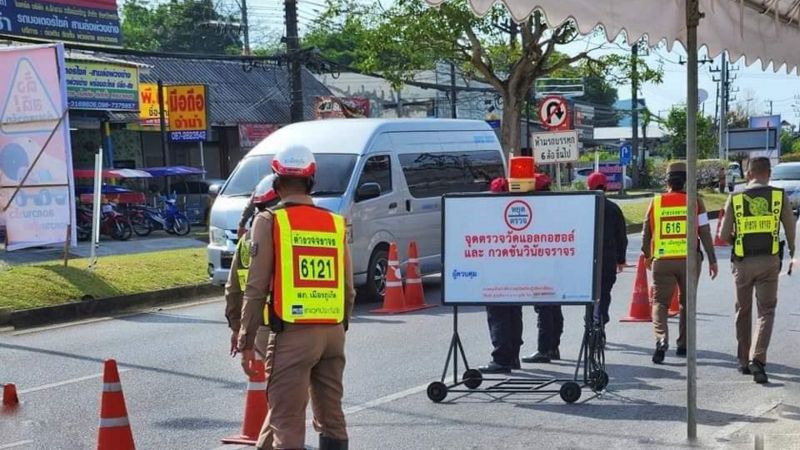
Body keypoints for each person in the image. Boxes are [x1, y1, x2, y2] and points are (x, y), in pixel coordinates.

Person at [238, 145, 355, 450]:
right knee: (333, 418)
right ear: (311, 181)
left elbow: (255, 288)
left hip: (292, 334)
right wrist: (340, 326)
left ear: (276, 182)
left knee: (286, 423)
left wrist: (246, 340)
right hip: (332, 332)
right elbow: (349, 288)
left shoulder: (269, 221)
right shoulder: (334, 222)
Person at [718, 157, 796, 383]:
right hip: (769, 263)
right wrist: (792, 253)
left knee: (743, 310)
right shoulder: (779, 197)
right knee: (766, 311)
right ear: (769, 173)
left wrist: (739, 240)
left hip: (742, 263)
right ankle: (758, 359)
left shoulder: (736, 198)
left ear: (748, 174)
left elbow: (723, 235)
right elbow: (791, 230)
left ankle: (743, 361)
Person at [642, 161, 718, 364]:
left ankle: (661, 339)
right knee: (687, 303)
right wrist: (712, 259)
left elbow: (646, 233)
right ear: (686, 181)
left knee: (660, 303)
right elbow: (705, 232)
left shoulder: (656, 202)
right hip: (690, 260)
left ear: (667, 181)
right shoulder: (696, 202)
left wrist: (647, 256)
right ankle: (683, 345)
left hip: (663, 260)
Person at [224, 174, 280, 358]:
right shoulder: (296, 232)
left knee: (264, 381)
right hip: (302, 327)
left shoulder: (246, 242)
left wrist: (236, 329)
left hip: (260, 329)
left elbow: (233, 290)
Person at [479, 177, 524, 374]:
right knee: (514, 313)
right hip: (517, 273)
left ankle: (502, 359)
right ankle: (512, 355)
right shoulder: (521, 211)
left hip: (498, 275)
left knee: (498, 315)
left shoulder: (492, 216)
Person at [522, 173, 564, 364]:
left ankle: (544, 349)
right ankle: (553, 346)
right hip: (557, 264)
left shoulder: (536, 209)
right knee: (554, 307)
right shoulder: (557, 207)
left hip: (542, 265)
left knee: (545, 308)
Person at [586, 172, 628, 330]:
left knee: (588, 296)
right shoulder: (614, 209)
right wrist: (621, 260)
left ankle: (589, 324)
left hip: (587, 261)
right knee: (603, 294)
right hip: (607, 261)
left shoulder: (583, 207)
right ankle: (601, 323)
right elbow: (621, 237)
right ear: (606, 187)